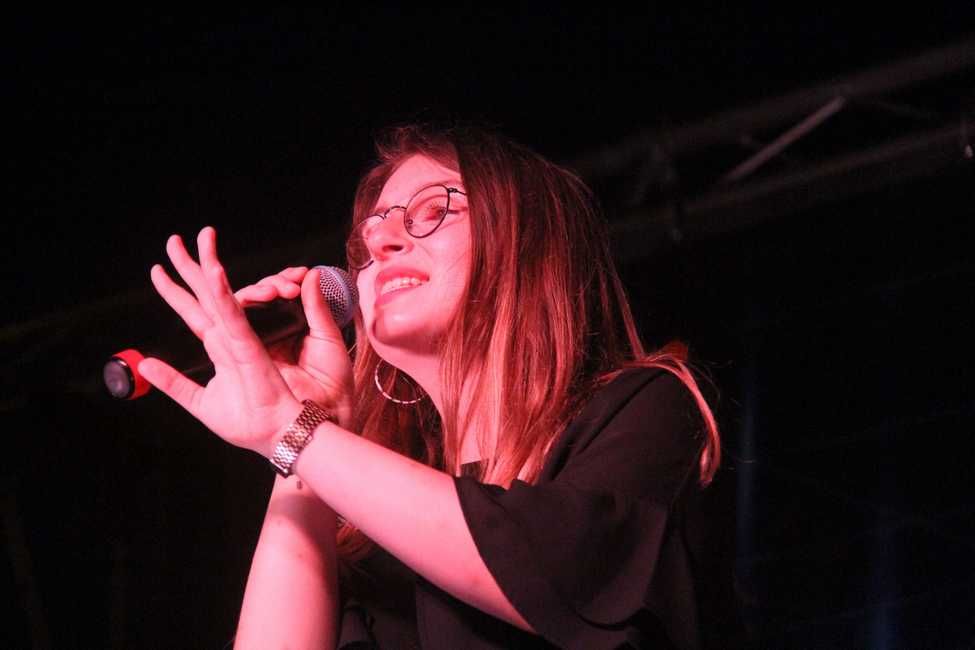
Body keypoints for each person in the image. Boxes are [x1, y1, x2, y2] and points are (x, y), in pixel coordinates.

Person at [138, 123, 741, 649]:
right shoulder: (375, 537)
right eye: (370, 236)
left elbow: (554, 575)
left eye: (434, 210)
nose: (379, 242)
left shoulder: (647, 408)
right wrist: (304, 426)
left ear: (527, 242)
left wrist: (294, 431)